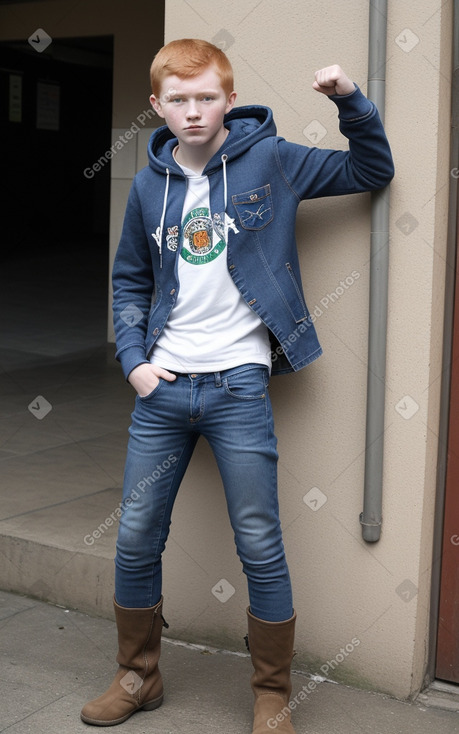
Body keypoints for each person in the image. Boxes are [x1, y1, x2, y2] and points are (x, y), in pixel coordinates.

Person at [81, 38, 393, 733]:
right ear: (157, 107)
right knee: (134, 536)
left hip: (237, 388)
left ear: (227, 100)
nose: (192, 112)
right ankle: (138, 675)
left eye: (205, 98)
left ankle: (271, 694)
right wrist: (134, 361)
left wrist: (348, 100)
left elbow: (373, 168)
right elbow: (129, 277)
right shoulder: (149, 186)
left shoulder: (272, 161)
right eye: (178, 100)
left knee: (258, 539)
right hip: (162, 392)